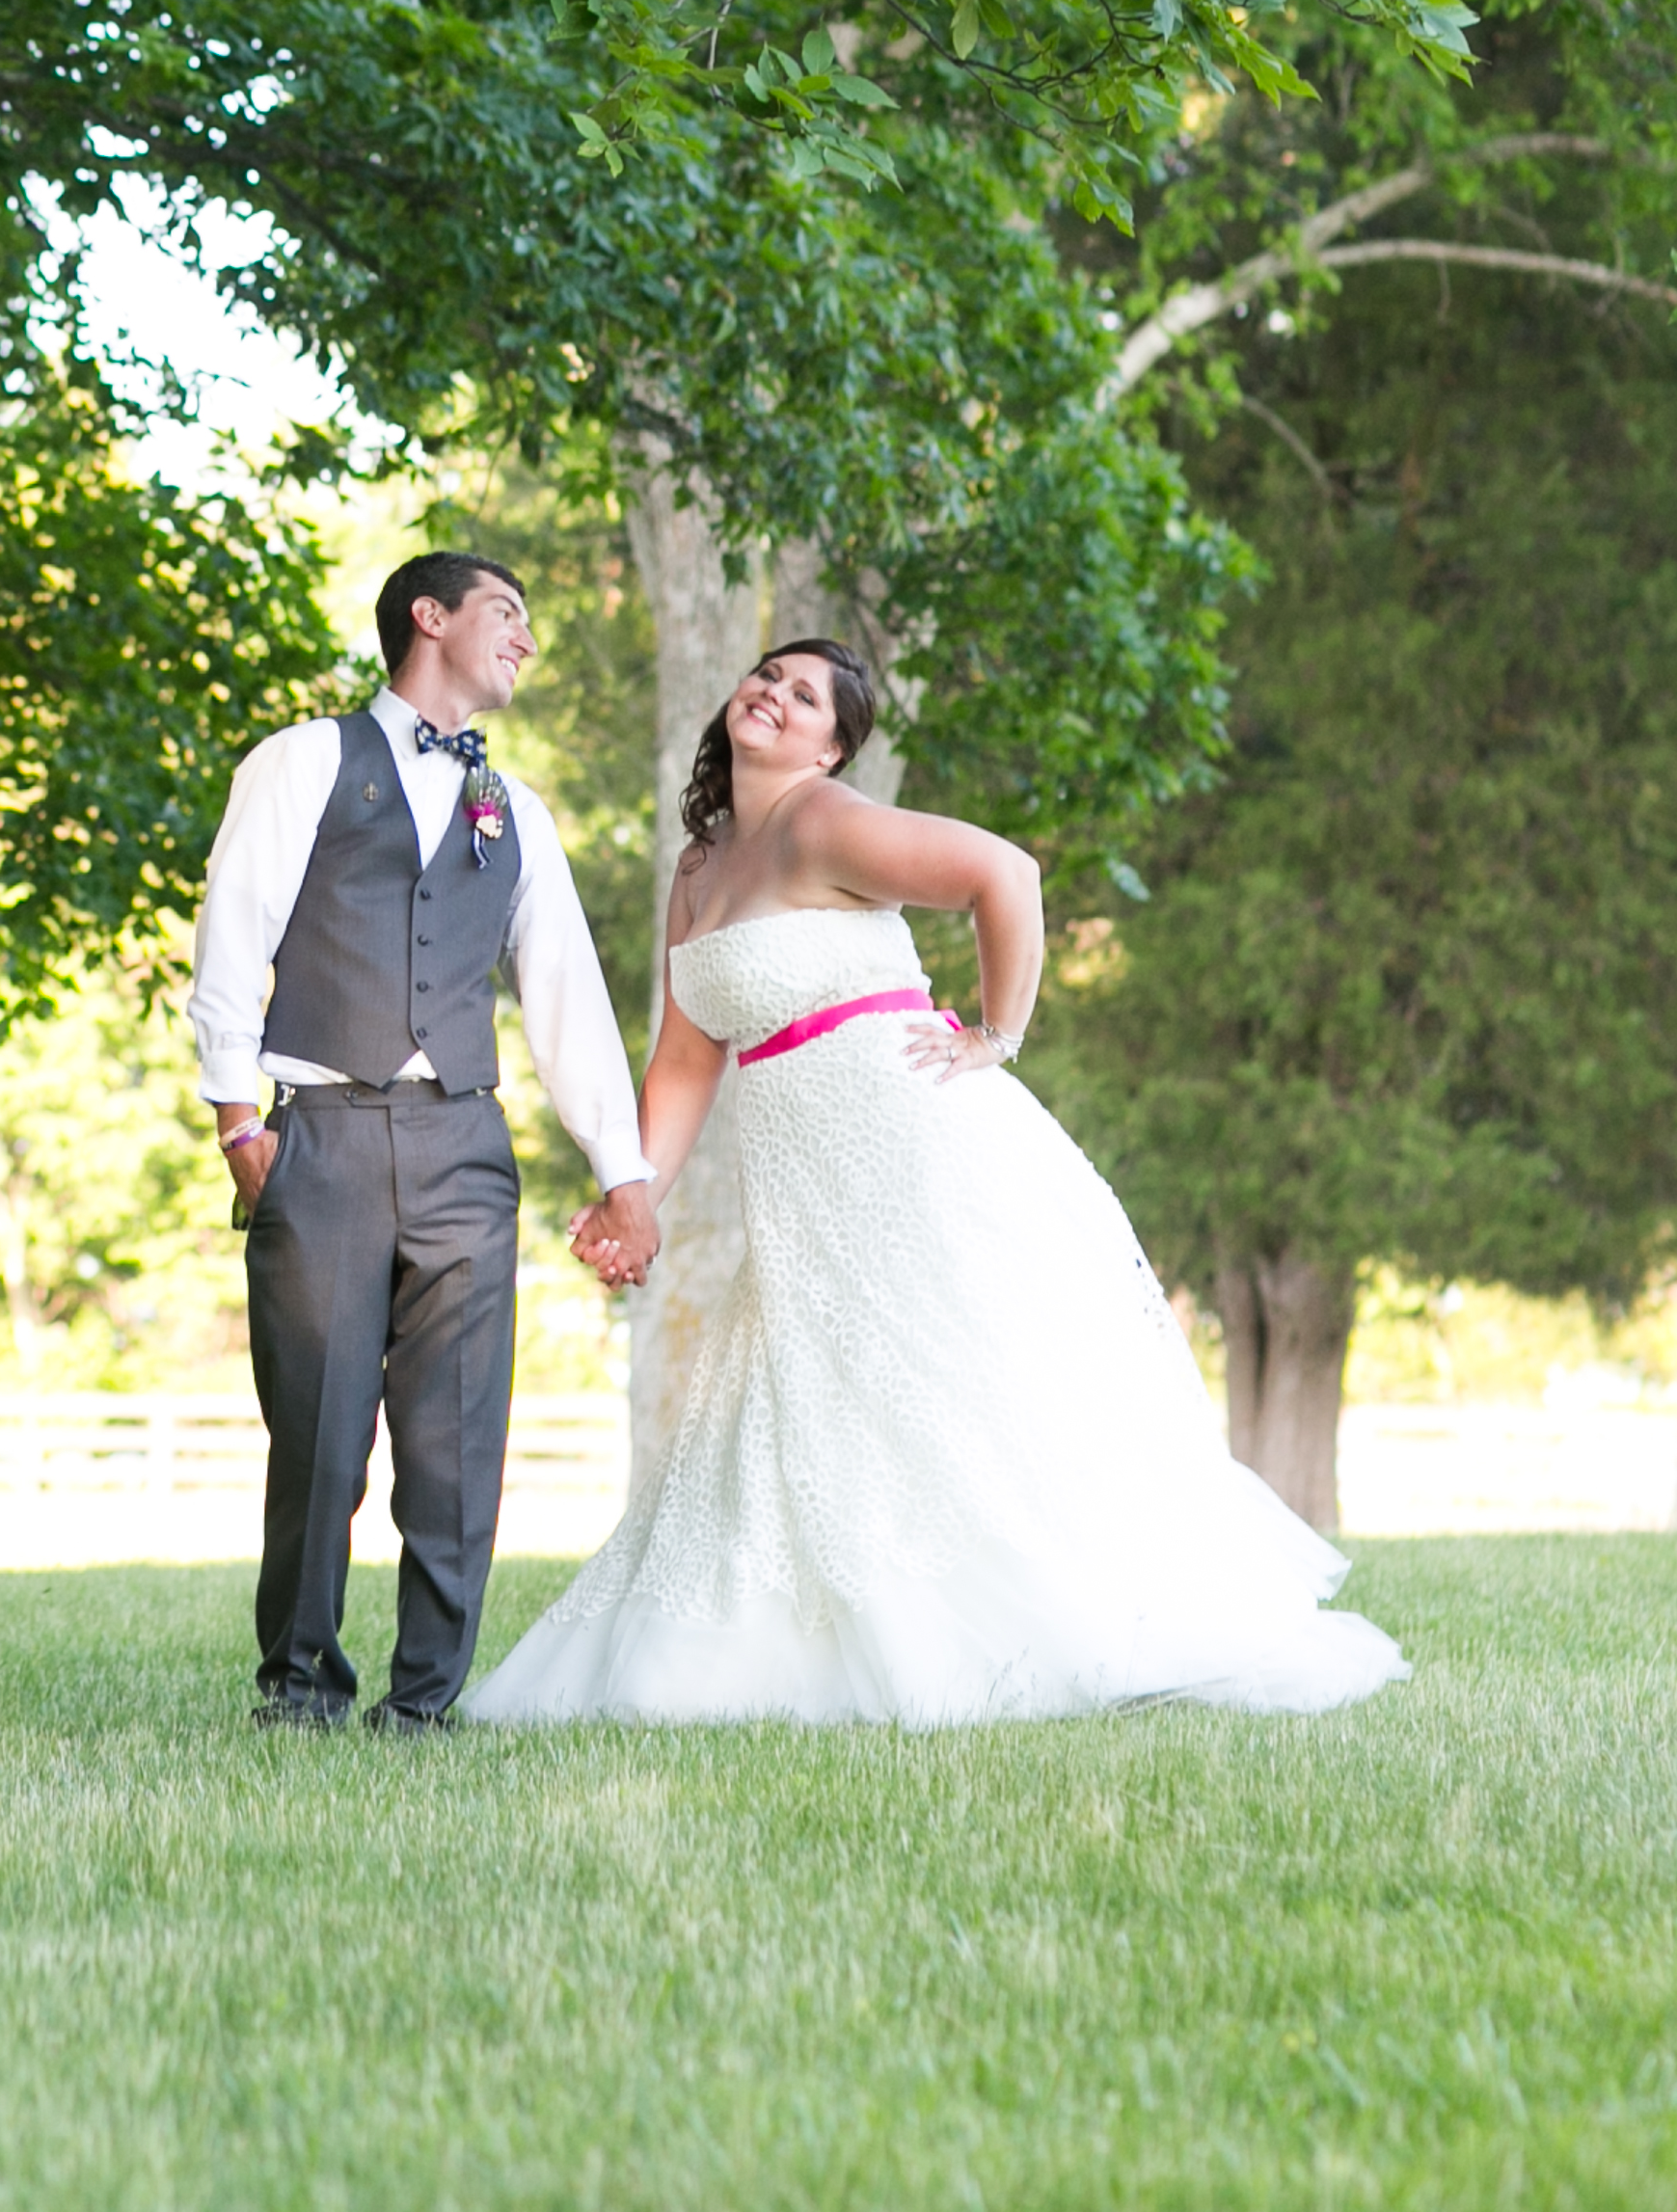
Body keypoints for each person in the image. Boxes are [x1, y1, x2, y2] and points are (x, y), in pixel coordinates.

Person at [461, 634, 1405, 1729]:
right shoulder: (702, 863)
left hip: (911, 1143)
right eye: (768, 676)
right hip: (802, 1184)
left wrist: (997, 1030)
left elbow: (1005, 874)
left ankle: (1067, 1623)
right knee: (809, 1401)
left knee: (964, 1381)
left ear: (831, 745)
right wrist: (637, 1193)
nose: (774, 694)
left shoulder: (826, 821)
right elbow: (684, 1055)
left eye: (805, 694)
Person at [188, 551, 658, 1732]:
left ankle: (426, 1704)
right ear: (429, 616)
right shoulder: (302, 758)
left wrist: (623, 1169)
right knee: (321, 1438)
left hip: (464, 1146)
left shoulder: (519, 812)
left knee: (457, 1444)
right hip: (321, 1138)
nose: (529, 637)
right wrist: (239, 1117)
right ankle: (297, 1689)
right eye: (511, 610)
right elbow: (232, 932)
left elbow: (566, 996)